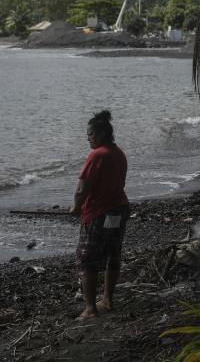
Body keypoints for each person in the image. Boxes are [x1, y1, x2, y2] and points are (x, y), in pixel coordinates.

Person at [70, 110, 129, 319]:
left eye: (90, 134)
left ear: (101, 134)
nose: (87, 138)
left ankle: (90, 308)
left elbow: (81, 189)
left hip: (99, 213)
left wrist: (76, 207)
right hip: (119, 210)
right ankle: (108, 300)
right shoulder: (118, 152)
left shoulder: (97, 154)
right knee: (112, 254)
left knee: (87, 259)